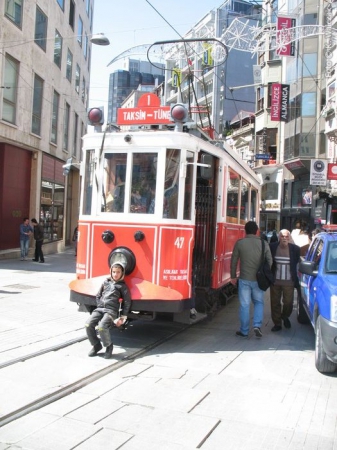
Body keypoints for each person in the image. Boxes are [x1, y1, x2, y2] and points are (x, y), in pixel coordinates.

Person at [230, 221, 273, 338]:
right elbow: (270, 261)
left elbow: (234, 261)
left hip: (244, 279)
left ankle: (244, 331)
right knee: (259, 302)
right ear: (257, 231)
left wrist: (233, 276)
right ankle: (257, 325)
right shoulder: (263, 243)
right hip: (258, 280)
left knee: (244, 305)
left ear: (245, 231)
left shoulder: (240, 243)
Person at [85, 263, 132, 359]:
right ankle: (96, 345)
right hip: (100, 309)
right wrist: (100, 306)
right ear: (111, 272)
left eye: (118, 272)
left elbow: (127, 302)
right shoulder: (105, 282)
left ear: (122, 273)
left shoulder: (122, 286)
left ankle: (108, 346)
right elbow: (98, 295)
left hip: (111, 311)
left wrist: (123, 317)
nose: (115, 274)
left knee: (102, 327)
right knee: (88, 324)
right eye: (114, 272)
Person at [269, 229, 301, 332]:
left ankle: (284, 316)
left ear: (289, 238)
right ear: (279, 237)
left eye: (286, 236)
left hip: (289, 282)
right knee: (275, 303)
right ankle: (277, 323)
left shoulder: (295, 249)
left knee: (288, 303)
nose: (284, 238)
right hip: (275, 281)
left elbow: (296, 264)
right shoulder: (273, 247)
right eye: (282, 236)